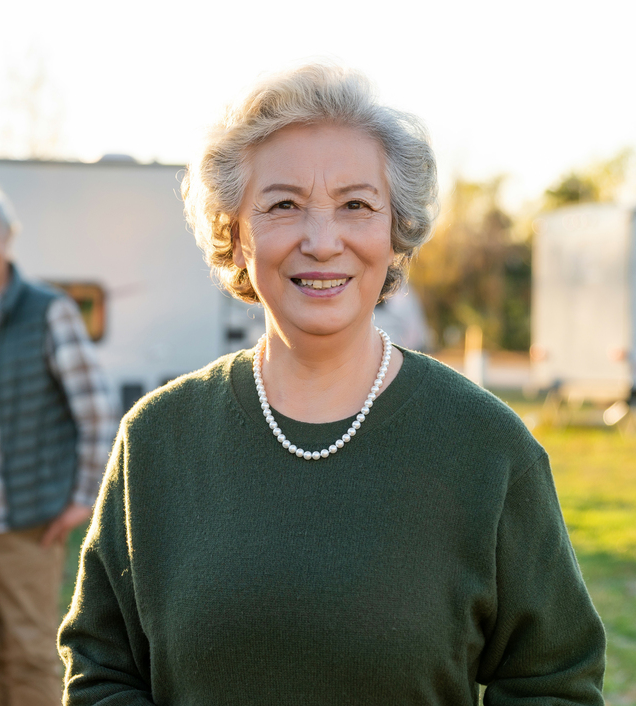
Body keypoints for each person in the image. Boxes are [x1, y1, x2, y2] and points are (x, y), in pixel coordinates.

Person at [58, 65, 606, 705]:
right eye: (283, 205)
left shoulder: (487, 446)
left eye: (356, 205)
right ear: (235, 236)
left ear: (395, 233)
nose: (322, 242)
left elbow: (554, 683)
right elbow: (102, 674)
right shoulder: (156, 442)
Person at [0, 182, 117, 706]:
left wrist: (81, 498)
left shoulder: (46, 310)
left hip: (25, 517)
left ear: (7, 235)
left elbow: (97, 410)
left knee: (29, 656)